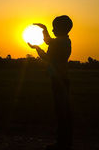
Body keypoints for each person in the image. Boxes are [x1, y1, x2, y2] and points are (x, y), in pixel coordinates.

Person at [28, 15, 73, 150]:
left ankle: (62, 143)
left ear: (61, 28)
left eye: (54, 27)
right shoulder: (63, 42)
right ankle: (64, 142)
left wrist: (42, 34)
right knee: (62, 111)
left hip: (59, 80)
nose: (52, 30)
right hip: (60, 79)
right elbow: (48, 49)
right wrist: (39, 43)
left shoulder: (61, 42)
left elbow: (47, 48)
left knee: (61, 112)